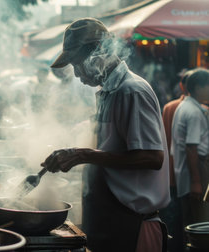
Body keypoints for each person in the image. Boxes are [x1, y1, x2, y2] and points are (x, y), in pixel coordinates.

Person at [44, 18, 170, 252]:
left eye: (76, 64)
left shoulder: (131, 91)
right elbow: (110, 150)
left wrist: (83, 155)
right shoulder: (109, 92)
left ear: (99, 53)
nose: (76, 74)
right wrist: (73, 154)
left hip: (131, 228)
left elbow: (152, 157)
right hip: (109, 222)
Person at [171, 68, 209, 231]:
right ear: (199, 88)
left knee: (191, 222)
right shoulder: (193, 112)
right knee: (199, 224)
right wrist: (196, 182)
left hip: (186, 174)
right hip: (196, 172)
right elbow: (191, 148)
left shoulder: (185, 106)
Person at [160, 69, 193, 252]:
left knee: (172, 220)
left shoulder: (169, 107)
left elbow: (164, 139)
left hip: (169, 172)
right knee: (187, 219)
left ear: (181, 86)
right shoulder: (199, 109)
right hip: (188, 173)